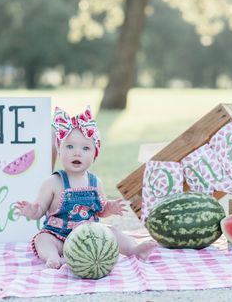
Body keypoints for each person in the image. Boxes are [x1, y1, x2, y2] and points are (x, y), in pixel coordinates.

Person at [15, 106, 156, 268]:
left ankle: (134, 249)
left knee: (112, 231)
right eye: (69, 146)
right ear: (59, 151)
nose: (77, 153)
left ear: (94, 155)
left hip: (90, 238)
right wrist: (32, 211)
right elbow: (40, 210)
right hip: (59, 237)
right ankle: (53, 258)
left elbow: (100, 211)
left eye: (85, 148)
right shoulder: (53, 182)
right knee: (42, 239)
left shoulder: (95, 183)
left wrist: (110, 207)